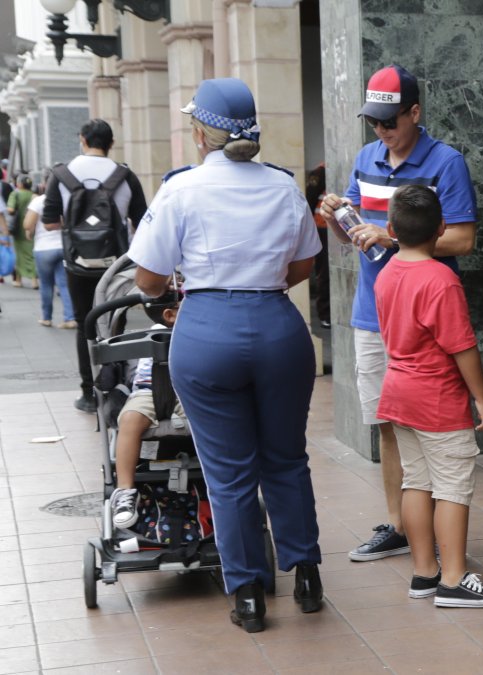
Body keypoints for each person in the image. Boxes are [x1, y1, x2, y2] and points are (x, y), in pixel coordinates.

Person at [127, 78, 324, 633]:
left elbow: (147, 279)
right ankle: (306, 576)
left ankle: (248, 597)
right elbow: (302, 267)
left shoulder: (180, 190)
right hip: (278, 327)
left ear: (200, 134)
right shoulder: (283, 187)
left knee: (229, 473)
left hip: (207, 329)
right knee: (286, 458)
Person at [318, 64, 478, 563]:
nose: (383, 132)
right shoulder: (366, 159)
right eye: (375, 123)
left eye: (391, 122)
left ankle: (435, 534)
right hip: (373, 312)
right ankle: (400, 525)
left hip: (425, 321)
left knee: (435, 427)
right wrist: (338, 218)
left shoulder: (446, 163)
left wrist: (391, 236)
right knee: (388, 423)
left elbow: (464, 239)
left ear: (415, 112)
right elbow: (354, 232)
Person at [374, 184, 483, 608]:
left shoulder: (387, 272)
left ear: (391, 229)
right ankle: (453, 579)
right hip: (437, 397)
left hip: (398, 393)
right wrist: (481, 396)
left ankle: (424, 573)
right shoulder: (441, 279)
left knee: (416, 482)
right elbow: (461, 346)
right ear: (442, 228)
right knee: (451, 487)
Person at [41, 119, 149, 414]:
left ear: (82, 140)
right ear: (110, 144)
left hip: (77, 264)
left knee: (83, 323)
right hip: (115, 265)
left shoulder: (61, 175)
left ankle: (88, 394)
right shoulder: (125, 175)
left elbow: (49, 221)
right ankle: (116, 388)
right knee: (116, 324)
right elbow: (143, 222)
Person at [108, 291, 184, 529]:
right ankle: (125, 491)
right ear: (170, 315)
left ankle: (222, 481)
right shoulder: (147, 336)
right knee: (130, 419)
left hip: (189, 392)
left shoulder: (204, 331)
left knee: (217, 417)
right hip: (147, 392)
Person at [24, 178, 76, 328]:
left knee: (46, 285)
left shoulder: (39, 201)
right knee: (64, 284)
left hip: (43, 249)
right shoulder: (68, 199)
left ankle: (46, 318)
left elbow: (27, 224)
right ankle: (70, 318)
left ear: (45, 184)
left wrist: (30, 233)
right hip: (64, 247)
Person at [304, 164, 331, 328]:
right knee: (325, 272)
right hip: (323, 228)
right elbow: (310, 199)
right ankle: (325, 314)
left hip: (342, 228)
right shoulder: (321, 172)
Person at [6, 175, 35, 288]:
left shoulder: (15, 194)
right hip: (31, 228)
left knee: (19, 254)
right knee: (31, 254)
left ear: (20, 184)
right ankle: (34, 280)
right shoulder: (33, 195)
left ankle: (18, 280)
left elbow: (11, 209)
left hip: (18, 229)